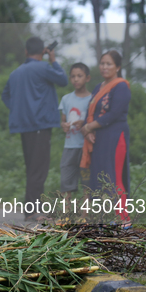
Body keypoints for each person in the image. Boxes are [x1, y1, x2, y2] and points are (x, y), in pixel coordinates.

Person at [2, 37, 68, 222]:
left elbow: (5, 96)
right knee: (38, 170)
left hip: (24, 126)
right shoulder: (44, 67)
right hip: (41, 124)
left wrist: (19, 110)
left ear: (26, 51)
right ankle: (34, 210)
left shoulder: (16, 73)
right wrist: (53, 59)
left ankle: (30, 210)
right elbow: (63, 80)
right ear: (43, 51)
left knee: (32, 167)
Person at [80, 51, 131, 225]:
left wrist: (89, 127)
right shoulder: (98, 87)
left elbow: (114, 113)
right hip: (98, 137)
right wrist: (89, 131)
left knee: (114, 176)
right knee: (99, 176)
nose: (105, 67)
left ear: (118, 67)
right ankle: (103, 218)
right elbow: (90, 111)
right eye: (102, 63)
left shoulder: (121, 86)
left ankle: (122, 219)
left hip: (115, 135)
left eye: (109, 64)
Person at [58, 63, 91, 204]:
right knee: (66, 181)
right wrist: (64, 126)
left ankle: (85, 217)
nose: (76, 79)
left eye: (79, 76)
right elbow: (63, 121)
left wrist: (83, 123)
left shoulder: (93, 99)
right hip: (70, 146)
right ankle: (66, 215)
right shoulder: (66, 99)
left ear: (87, 78)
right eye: (73, 76)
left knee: (87, 183)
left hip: (86, 147)